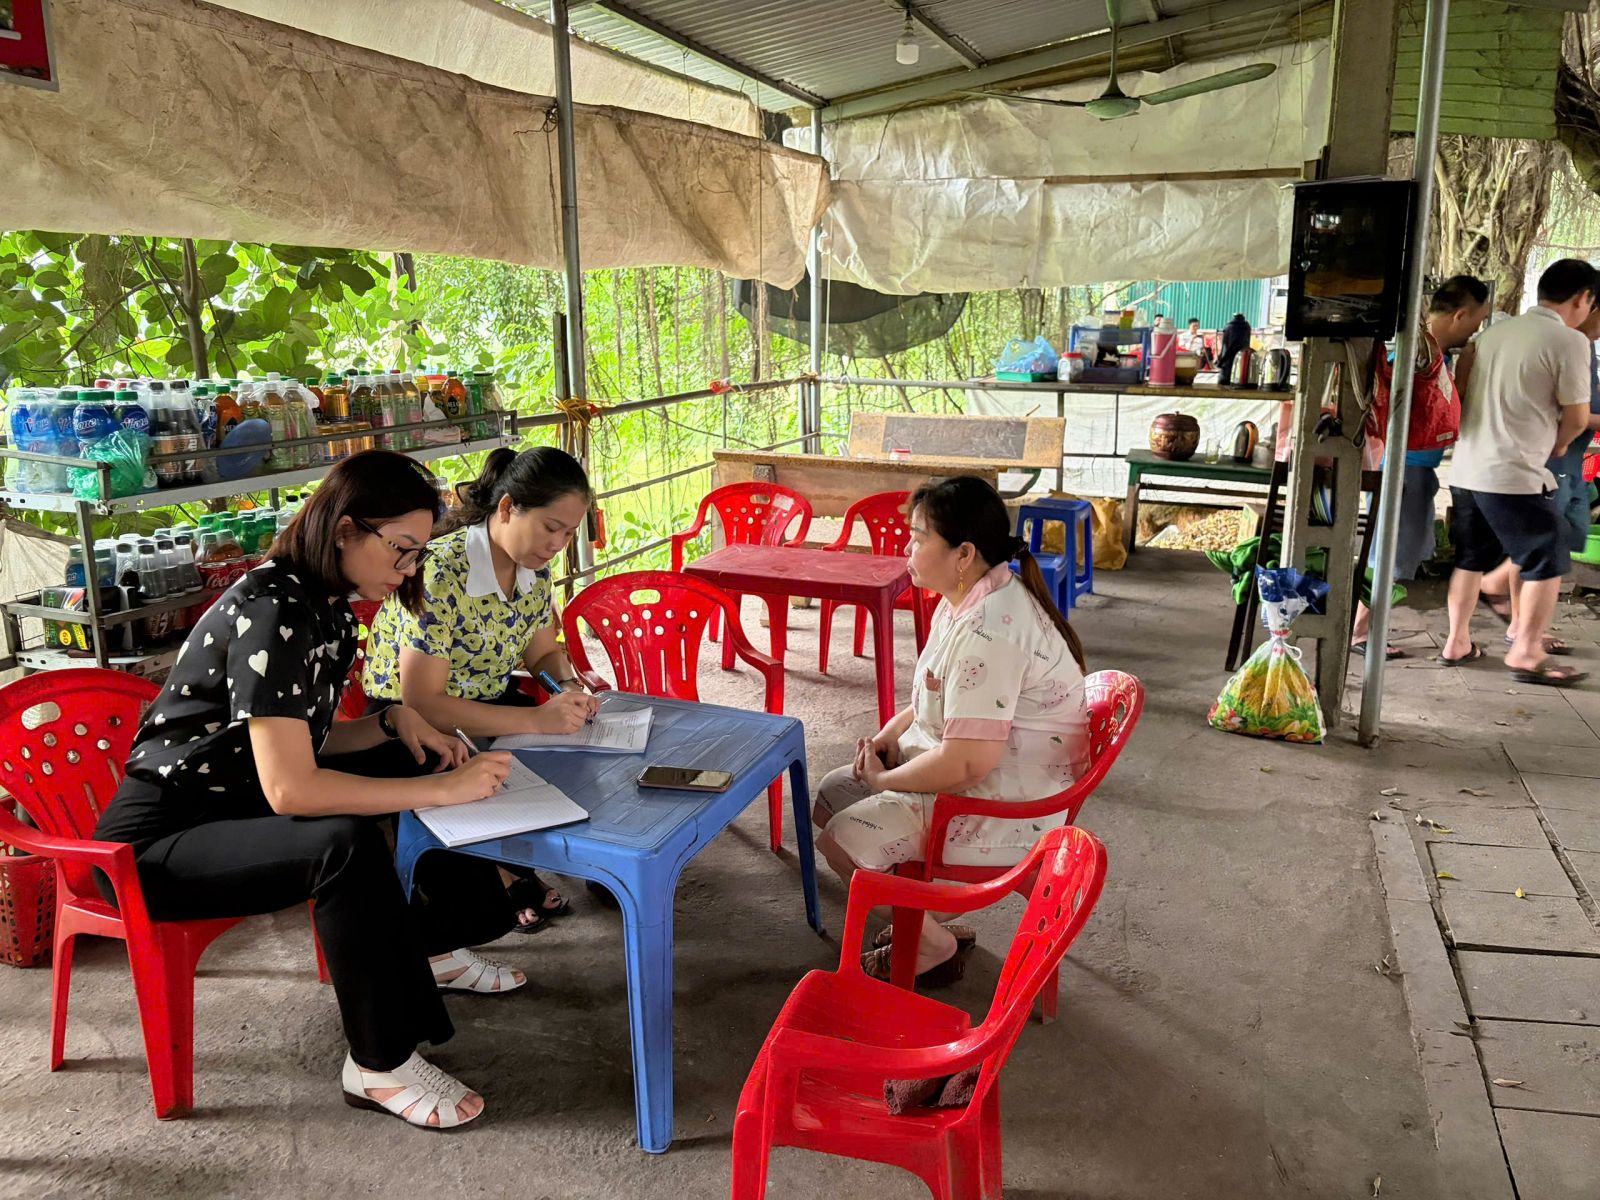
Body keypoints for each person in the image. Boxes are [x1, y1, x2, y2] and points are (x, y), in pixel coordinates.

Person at [93, 450, 522, 1131]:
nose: (409, 568)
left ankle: (437, 942)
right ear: (346, 530)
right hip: (157, 845)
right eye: (402, 549)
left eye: (418, 552)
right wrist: (443, 792)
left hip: (236, 803)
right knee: (343, 844)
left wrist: (390, 722)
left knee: (412, 755)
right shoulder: (274, 610)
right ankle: (378, 1062)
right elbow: (292, 788)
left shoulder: (324, 608)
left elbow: (302, 744)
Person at [812, 476, 1090, 985]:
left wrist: (884, 780)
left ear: (963, 554)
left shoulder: (990, 631)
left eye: (918, 538)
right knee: (832, 793)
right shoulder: (966, 597)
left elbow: (967, 765)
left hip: (1003, 803)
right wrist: (889, 737)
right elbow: (934, 698)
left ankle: (929, 945)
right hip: (984, 773)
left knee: (841, 840)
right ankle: (923, 919)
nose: (907, 548)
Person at [362, 446, 600, 932]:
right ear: (508, 508)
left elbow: (541, 652)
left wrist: (566, 685)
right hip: (406, 719)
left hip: (484, 700)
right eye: (551, 527)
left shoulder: (534, 571)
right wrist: (535, 719)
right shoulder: (440, 571)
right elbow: (423, 702)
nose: (558, 544)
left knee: (576, 759)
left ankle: (582, 866)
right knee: (476, 897)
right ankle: (496, 877)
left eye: (569, 533)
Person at [1438, 258, 1596, 687]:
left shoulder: (1489, 336)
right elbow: (1577, 417)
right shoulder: (1569, 341)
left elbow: (1462, 393)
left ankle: (1456, 642)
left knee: (1470, 559)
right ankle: (1527, 650)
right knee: (1549, 552)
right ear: (1583, 298)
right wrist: (1559, 444)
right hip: (1513, 473)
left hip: (1467, 469)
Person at [1351, 275, 1491, 659]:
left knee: (1396, 552)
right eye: (1477, 320)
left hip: (1412, 469)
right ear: (1460, 315)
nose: (1476, 330)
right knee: (1390, 554)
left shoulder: (1431, 353)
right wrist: (1465, 376)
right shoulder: (1415, 354)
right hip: (1403, 468)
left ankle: (1365, 629)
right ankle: (1360, 631)